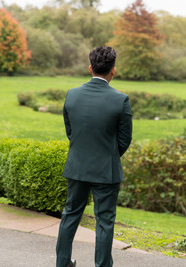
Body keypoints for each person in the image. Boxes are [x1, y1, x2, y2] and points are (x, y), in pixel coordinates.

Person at [56, 46, 132, 267]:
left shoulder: (72, 95)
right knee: (105, 222)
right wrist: (107, 155)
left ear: (90, 68)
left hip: (77, 167)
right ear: (113, 71)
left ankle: (62, 263)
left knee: (70, 214)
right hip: (106, 171)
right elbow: (124, 139)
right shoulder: (121, 100)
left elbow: (71, 132)